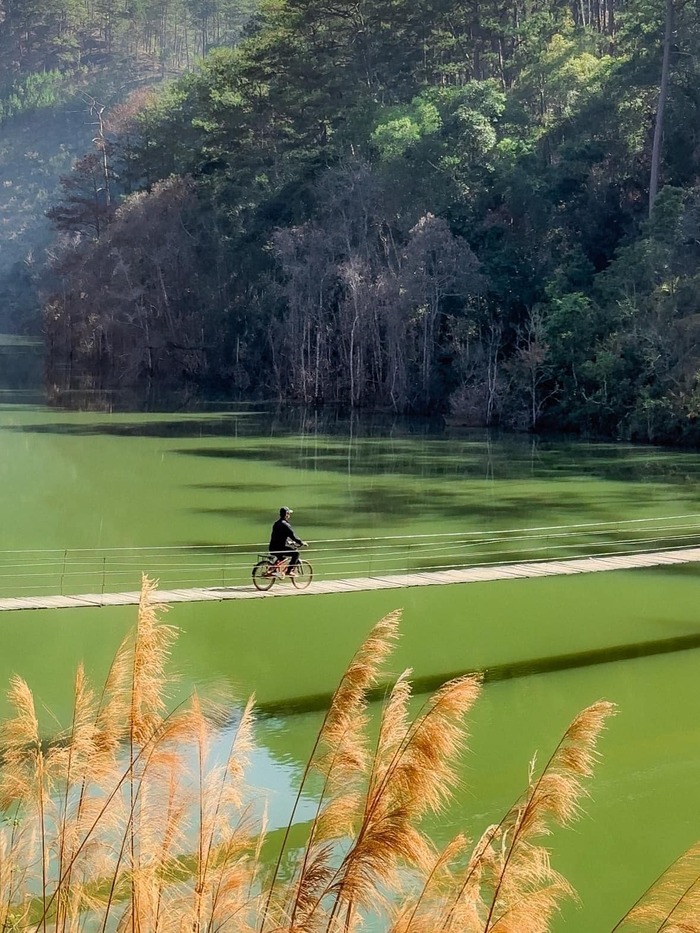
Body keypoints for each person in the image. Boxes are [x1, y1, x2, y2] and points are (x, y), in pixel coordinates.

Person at [269, 507, 306, 577]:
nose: (289, 515)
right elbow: (293, 536)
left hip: (272, 547)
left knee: (282, 558)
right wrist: (301, 542)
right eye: (288, 514)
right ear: (286, 515)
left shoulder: (276, 523)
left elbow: (279, 536)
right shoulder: (286, 525)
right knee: (296, 553)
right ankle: (289, 571)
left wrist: (288, 542)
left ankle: (274, 570)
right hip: (280, 549)